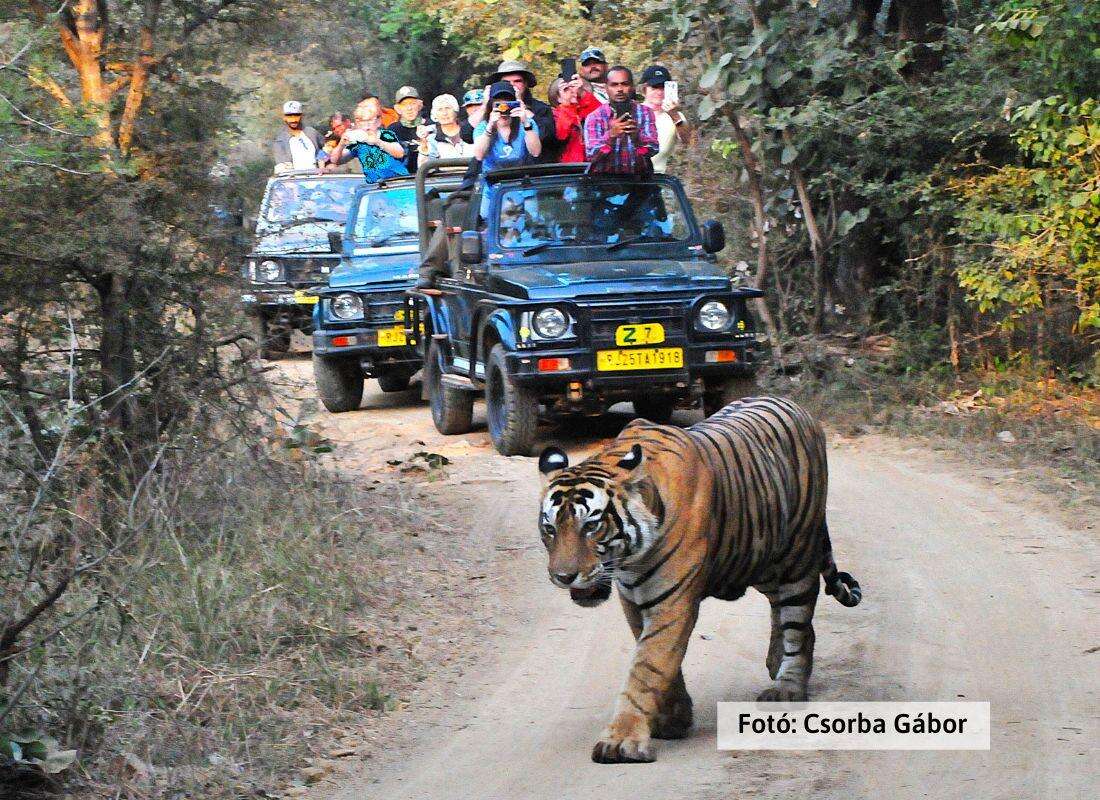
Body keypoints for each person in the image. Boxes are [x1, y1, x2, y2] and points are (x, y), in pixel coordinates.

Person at [583, 66, 659, 174]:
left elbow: (654, 149)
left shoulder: (645, 113)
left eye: (625, 84)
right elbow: (591, 155)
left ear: (632, 87)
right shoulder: (595, 117)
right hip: (604, 180)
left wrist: (637, 138)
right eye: (614, 85)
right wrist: (611, 136)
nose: (620, 89)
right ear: (606, 88)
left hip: (638, 180)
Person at [487, 60, 557, 163]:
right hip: (497, 169)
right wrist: (485, 105)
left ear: (526, 83)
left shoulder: (541, 108)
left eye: (517, 81)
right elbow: (468, 134)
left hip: (535, 167)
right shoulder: (490, 109)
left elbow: (547, 136)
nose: (512, 85)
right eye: (506, 82)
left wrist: (523, 109)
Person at [327, 98, 408, 182]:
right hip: (375, 184)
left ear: (378, 121)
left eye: (370, 121)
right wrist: (341, 144)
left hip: (397, 181)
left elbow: (400, 153)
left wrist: (377, 141)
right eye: (362, 122)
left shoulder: (385, 135)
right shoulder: (358, 142)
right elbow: (335, 160)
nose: (366, 126)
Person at [472, 81, 542, 172]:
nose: (504, 106)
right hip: (492, 176)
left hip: (520, 175)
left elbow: (536, 152)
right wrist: (489, 127)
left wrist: (526, 124)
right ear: (491, 105)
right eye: (498, 103)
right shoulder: (483, 126)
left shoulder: (528, 123)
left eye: (508, 101)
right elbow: (479, 156)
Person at [639, 65, 692, 174]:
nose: (659, 92)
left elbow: (688, 140)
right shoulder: (634, 111)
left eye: (663, 87)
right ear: (644, 90)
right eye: (654, 87)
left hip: (657, 177)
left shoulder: (676, 116)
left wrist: (674, 115)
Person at [548, 76, 602, 163]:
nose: (572, 91)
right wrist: (566, 104)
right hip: (570, 165)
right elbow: (561, 135)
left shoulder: (583, 110)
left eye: (573, 87)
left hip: (592, 161)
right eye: (566, 89)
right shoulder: (553, 115)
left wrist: (582, 92)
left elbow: (601, 114)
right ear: (557, 98)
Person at [272, 101, 325, 174]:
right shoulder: (280, 142)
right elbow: (283, 167)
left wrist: (322, 163)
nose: (293, 120)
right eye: (289, 116)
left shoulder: (312, 133)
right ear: (284, 117)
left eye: (296, 115)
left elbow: (325, 149)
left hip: (316, 177)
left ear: (301, 116)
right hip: (295, 179)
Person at [418, 94, 476, 160]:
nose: (444, 113)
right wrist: (424, 148)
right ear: (434, 114)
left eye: (448, 108)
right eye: (440, 109)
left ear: (455, 111)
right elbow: (424, 165)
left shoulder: (471, 131)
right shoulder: (431, 138)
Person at [386, 86, 426, 174]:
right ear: (397, 109)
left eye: (412, 103)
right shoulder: (392, 131)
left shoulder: (430, 127)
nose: (409, 108)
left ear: (420, 105)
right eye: (404, 104)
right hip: (402, 178)